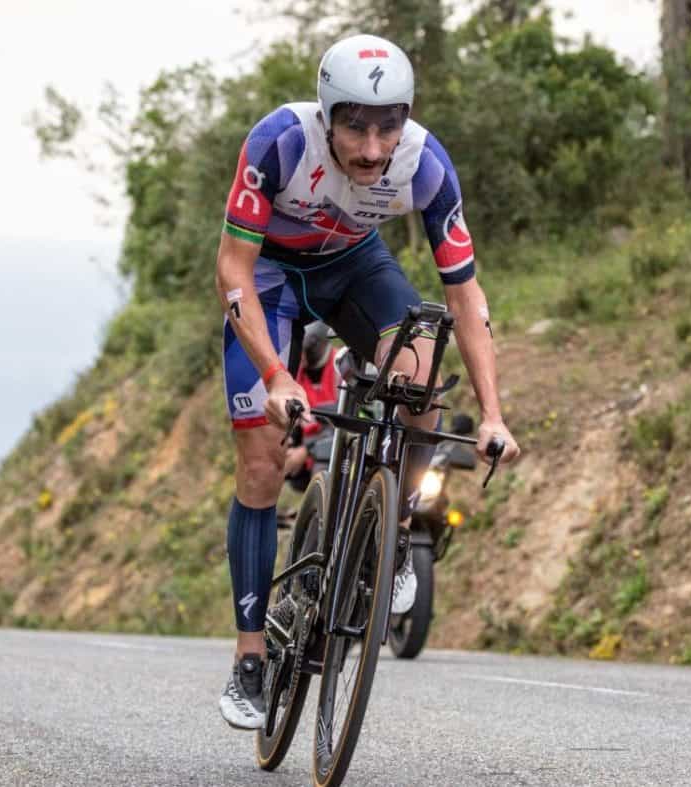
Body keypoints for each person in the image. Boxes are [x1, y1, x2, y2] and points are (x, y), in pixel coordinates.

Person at [215, 33, 521, 730]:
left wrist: (496, 414)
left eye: (390, 124)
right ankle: (251, 655)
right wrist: (274, 374)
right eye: (356, 125)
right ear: (327, 115)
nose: (375, 147)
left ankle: (396, 528)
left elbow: (468, 296)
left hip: (354, 266)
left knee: (419, 363)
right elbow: (233, 270)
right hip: (273, 278)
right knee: (263, 458)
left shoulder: (426, 163)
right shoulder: (279, 144)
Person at [282, 322, 339, 491]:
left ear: (315, 347)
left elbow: (348, 423)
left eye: (302, 350)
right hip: (308, 447)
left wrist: (307, 451)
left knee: (320, 477)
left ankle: (320, 512)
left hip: (336, 447)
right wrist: (288, 444)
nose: (298, 357)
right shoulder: (297, 375)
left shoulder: (340, 370)